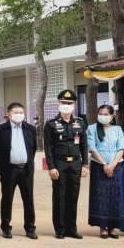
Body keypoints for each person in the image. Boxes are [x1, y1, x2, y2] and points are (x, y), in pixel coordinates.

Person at [44, 90, 89, 239]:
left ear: (74, 106)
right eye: (64, 103)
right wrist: (51, 167)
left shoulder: (80, 123)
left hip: (75, 164)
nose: (66, 106)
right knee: (59, 196)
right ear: (58, 104)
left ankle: (72, 229)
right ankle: (60, 229)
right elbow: (48, 147)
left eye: (69, 103)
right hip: (59, 164)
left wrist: (85, 165)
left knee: (73, 196)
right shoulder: (51, 124)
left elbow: (83, 145)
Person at [0, 102, 38, 239]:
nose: (19, 115)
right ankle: (6, 227)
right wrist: (0, 169)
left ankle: (30, 227)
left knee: (29, 199)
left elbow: (33, 148)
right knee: (7, 199)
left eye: (21, 113)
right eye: (16, 112)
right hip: (9, 170)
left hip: (26, 169)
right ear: (9, 114)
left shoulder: (30, 129)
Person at [87, 104, 124, 239]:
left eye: (106, 114)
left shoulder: (117, 129)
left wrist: (112, 165)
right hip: (98, 166)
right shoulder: (92, 128)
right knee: (100, 196)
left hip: (116, 167)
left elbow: (121, 148)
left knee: (114, 197)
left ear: (112, 116)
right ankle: (102, 227)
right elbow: (92, 148)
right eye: (101, 114)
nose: (103, 116)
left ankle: (112, 227)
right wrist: (104, 164)